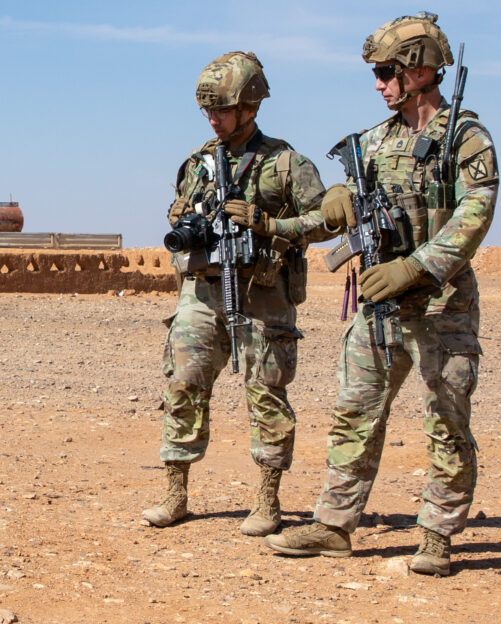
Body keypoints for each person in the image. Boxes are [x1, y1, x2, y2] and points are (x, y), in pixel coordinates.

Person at [264, 12, 498, 577]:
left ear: (420, 69)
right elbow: (332, 214)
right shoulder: (372, 142)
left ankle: (437, 534)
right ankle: (334, 524)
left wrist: (414, 267)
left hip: (441, 305)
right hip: (377, 307)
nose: (378, 84)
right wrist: (314, 209)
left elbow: (474, 215)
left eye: (387, 72)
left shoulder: (465, 137)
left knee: (446, 422)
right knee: (354, 414)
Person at [143, 51, 332, 537]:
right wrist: (181, 216)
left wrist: (269, 224)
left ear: (251, 106)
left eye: (222, 109)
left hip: (263, 293)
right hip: (201, 292)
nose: (213, 118)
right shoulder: (197, 163)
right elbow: (182, 212)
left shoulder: (286, 163)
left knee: (266, 393)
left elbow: (328, 220)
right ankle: (175, 494)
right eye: (207, 110)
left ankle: (268, 500)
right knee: (182, 385)